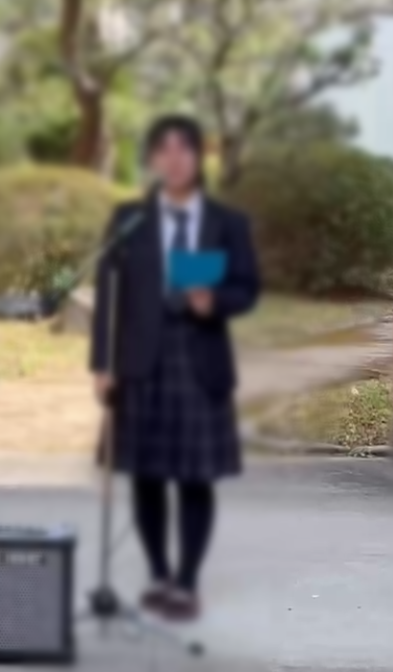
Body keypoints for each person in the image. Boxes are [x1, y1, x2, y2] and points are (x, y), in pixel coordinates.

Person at [89, 115, 260, 621]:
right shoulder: (129, 220)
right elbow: (107, 295)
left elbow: (247, 287)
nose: (174, 158)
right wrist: (102, 364)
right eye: (163, 149)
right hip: (140, 361)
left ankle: (187, 582)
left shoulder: (227, 222)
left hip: (199, 358)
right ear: (151, 159)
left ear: (199, 157)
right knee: (146, 476)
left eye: (184, 148)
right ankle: (159, 574)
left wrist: (216, 302)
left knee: (194, 478)